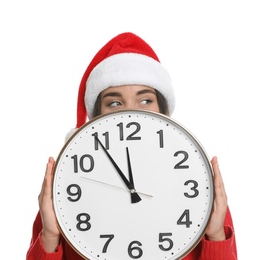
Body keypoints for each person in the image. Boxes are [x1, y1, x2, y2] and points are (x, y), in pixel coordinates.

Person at [26, 32, 237, 260]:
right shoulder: (65, 186)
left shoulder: (199, 183)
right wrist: (49, 236)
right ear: (97, 116)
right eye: (115, 103)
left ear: (162, 110)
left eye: (145, 100)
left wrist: (215, 235)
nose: (130, 112)